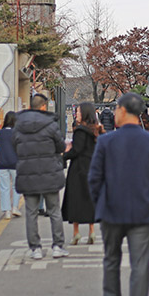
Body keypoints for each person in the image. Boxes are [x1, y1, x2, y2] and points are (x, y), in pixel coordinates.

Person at [89, 92, 149, 296]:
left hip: (111, 209)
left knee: (111, 258)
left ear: (123, 111)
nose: (114, 113)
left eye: (116, 109)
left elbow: (94, 179)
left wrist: (101, 201)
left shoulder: (106, 142)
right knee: (141, 262)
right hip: (144, 211)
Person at [13, 93, 69, 260]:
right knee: (54, 211)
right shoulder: (51, 125)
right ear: (43, 106)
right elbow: (60, 145)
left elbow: (14, 145)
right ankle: (58, 246)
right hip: (49, 173)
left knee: (31, 212)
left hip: (27, 173)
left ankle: (35, 249)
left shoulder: (19, 125)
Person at [62, 102, 101, 245]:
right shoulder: (97, 130)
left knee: (75, 200)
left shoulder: (80, 131)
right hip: (93, 168)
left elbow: (76, 150)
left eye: (78, 112)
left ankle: (76, 233)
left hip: (78, 169)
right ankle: (92, 231)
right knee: (89, 199)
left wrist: (64, 155)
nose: (76, 114)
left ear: (84, 113)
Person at [0, 111, 21, 219]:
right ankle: (15, 207)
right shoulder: (18, 133)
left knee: (4, 187)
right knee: (16, 186)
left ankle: (7, 212)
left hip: (2, 163)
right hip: (15, 162)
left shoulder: (0, 133)